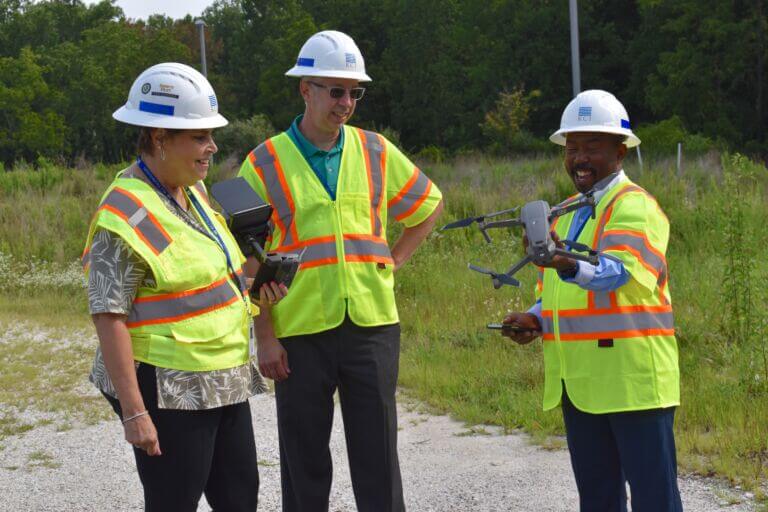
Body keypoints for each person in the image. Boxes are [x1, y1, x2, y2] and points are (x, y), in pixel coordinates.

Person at [238, 30, 444, 512]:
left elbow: (428, 205)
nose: (347, 102)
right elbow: (248, 260)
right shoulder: (262, 162)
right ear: (305, 90)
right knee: (304, 460)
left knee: (378, 458)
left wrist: (396, 259)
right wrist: (264, 337)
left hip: (372, 326)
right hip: (300, 330)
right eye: (336, 90)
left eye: (355, 92)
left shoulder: (375, 150)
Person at [82, 62, 286, 511]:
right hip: (169, 388)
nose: (212, 147)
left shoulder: (191, 191)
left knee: (239, 499)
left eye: (210, 135)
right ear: (159, 138)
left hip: (223, 379)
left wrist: (257, 286)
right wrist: (136, 412)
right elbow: (108, 314)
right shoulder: (124, 213)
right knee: (174, 502)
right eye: (199, 137)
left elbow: (215, 281)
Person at [501, 89, 682, 512]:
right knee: (598, 501)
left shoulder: (635, 206)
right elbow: (558, 296)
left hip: (634, 386)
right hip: (581, 386)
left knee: (656, 500)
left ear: (620, 153)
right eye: (572, 148)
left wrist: (565, 263)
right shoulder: (565, 211)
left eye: (591, 147)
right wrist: (533, 318)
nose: (579, 158)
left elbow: (619, 272)